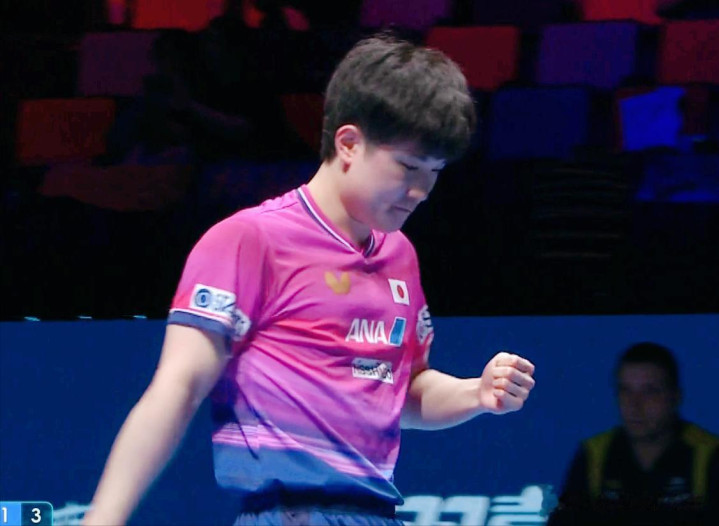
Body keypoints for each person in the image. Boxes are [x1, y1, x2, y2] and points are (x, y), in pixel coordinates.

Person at [82, 33, 537, 526]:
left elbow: (403, 391)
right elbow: (178, 387)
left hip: (378, 516)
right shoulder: (250, 240)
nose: (421, 190)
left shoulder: (400, 255)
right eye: (408, 166)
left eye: (434, 170)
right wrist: (104, 518)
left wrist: (475, 393)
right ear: (349, 143)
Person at [548, 342, 719, 525]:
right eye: (625, 391)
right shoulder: (594, 455)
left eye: (649, 392)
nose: (634, 405)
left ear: (675, 396)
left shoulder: (708, 455)